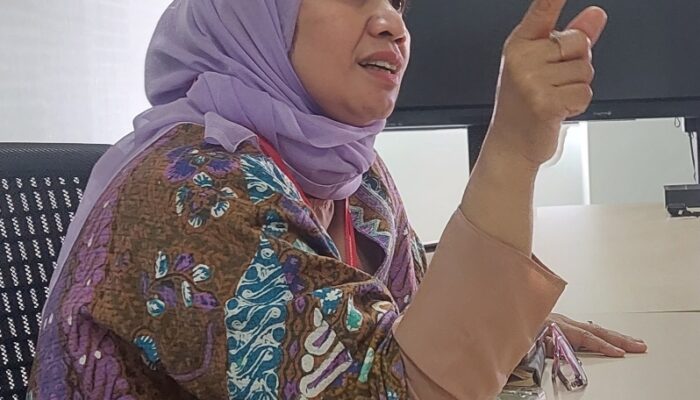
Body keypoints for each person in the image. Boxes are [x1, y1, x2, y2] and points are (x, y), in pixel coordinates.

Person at [29, 0, 646, 398]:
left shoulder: (353, 175)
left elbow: (414, 317)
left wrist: (505, 323)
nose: (393, 24)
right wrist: (512, 146)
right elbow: (407, 388)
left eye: (397, 1)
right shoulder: (194, 190)